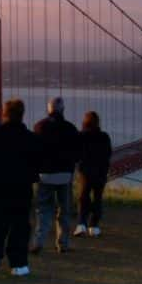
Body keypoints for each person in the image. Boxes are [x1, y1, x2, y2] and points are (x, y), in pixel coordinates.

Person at [0, 99, 41, 278]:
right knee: (20, 225)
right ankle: (19, 265)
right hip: (21, 187)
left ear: (4, 113)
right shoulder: (31, 138)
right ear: (22, 115)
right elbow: (37, 164)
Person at [31, 97, 80, 254]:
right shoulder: (71, 128)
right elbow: (77, 154)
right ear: (62, 110)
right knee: (64, 211)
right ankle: (63, 244)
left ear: (49, 110)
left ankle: (39, 241)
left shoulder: (39, 127)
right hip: (64, 175)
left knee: (43, 210)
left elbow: (34, 152)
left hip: (44, 175)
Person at [73, 111, 112, 238]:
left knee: (83, 197)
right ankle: (94, 226)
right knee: (97, 198)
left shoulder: (81, 136)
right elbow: (108, 153)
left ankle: (81, 225)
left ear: (85, 122)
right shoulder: (105, 136)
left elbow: (76, 154)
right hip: (101, 172)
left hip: (85, 172)